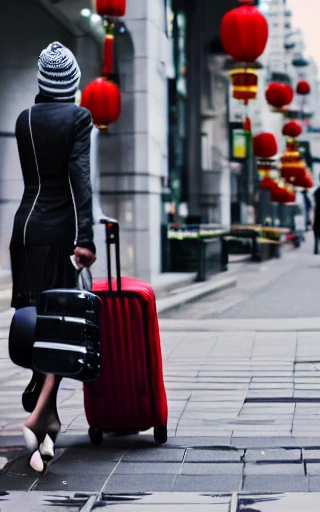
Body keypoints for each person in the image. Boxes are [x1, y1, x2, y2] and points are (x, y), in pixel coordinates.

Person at [9, 42, 96, 472]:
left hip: (23, 231)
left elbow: (37, 179)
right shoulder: (79, 118)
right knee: (61, 326)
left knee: (33, 320)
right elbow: (79, 180)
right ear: (73, 84)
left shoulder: (24, 119)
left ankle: (46, 414)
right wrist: (87, 237)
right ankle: (42, 414)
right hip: (61, 233)